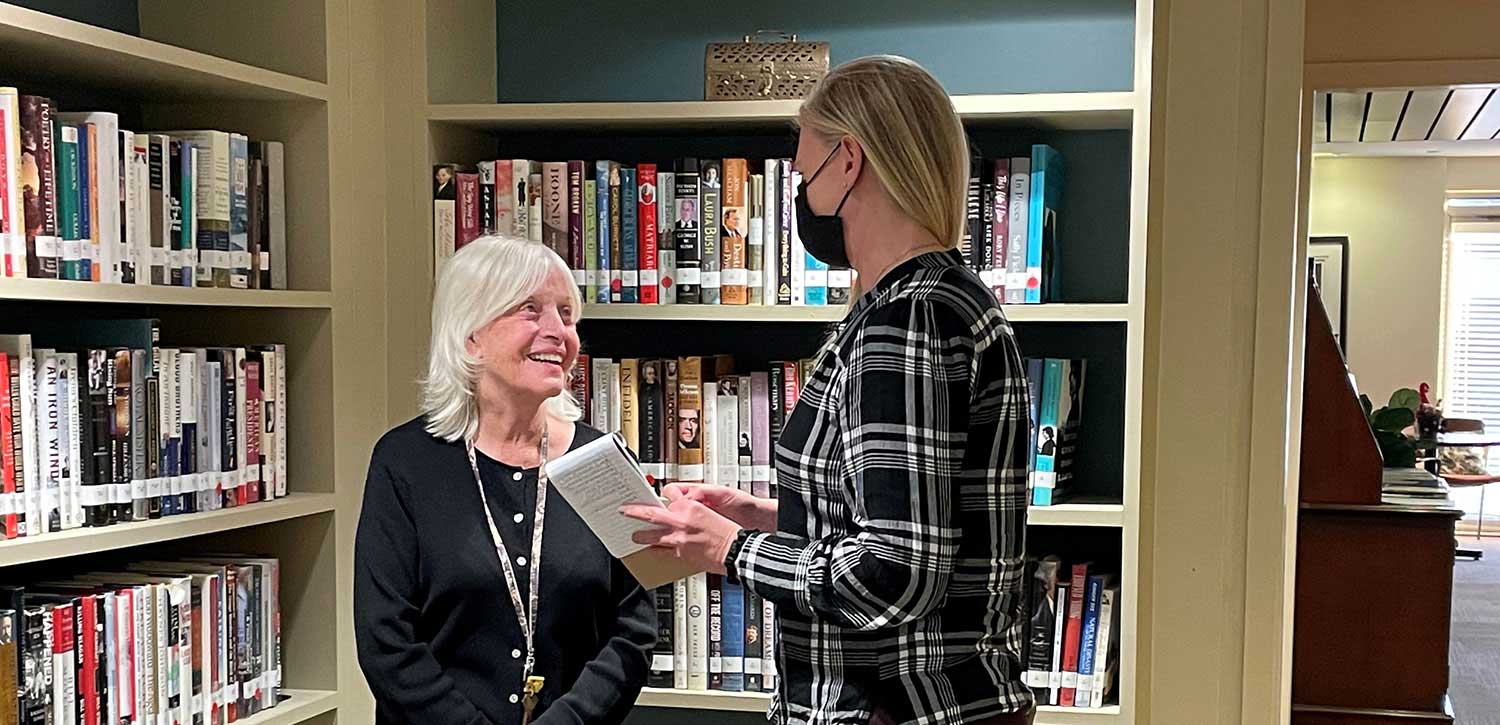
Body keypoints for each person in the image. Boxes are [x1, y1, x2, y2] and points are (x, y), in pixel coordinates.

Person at [622, 55, 1035, 725]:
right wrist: (764, 514)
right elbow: (903, 518)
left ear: (849, 161)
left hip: (900, 709)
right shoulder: (929, 303)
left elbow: (896, 573)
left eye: (803, 172)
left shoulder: (908, 321)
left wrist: (728, 547)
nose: (801, 197)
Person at [355, 235, 656, 725]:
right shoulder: (403, 462)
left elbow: (634, 628)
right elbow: (386, 640)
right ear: (470, 332)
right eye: (530, 309)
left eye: (566, 313)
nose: (557, 331)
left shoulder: (604, 459)